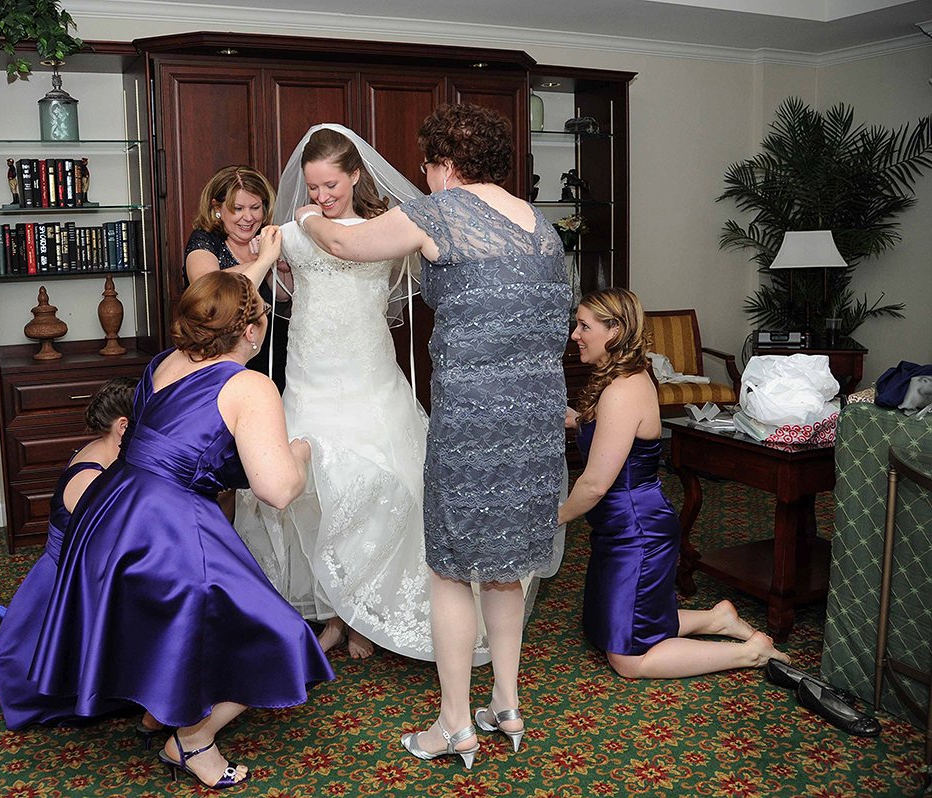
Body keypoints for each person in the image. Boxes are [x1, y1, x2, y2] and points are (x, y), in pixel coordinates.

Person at [295, 104, 569, 769]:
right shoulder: (544, 228)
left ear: (442, 164)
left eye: (426, 164)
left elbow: (343, 243)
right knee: (507, 570)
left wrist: (305, 215)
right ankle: (505, 704)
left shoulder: (440, 212)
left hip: (473, 418)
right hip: (535, 419)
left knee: (450, 570)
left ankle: (454, 725)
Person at [29, 265, 333, 789]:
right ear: (254, 330)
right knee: (281, 632)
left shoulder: (166, 362)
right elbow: (278, 490)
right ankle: (192, 739)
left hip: (115, 505)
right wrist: (300, 454)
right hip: (170, 520)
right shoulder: (250, 385)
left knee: (166, 616)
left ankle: (157, 711)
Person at [235, 124, 490, 663]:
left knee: (381, 483)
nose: (322, 197)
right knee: (311, 490)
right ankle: (332, 610)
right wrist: (271, 257)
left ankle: (367, 616)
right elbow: (269, 290)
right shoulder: (293, 230)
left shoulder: (384, 230)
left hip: (368, 371)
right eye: (313, 188)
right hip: (309, 370)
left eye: (332, 185)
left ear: (355, 175)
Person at [558, 287, 790, 678]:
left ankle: (750, 652)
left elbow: (595, 484)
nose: (575, 335)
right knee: (611, 626)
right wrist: (564, 417)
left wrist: (553, 518)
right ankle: (717, 619)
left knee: (628, 660)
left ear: (613, 331)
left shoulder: (622, 391)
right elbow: (603, 430)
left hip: (638, 532)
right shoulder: (622, 378)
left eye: (584, 326)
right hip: (618, 527)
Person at [0, 376, 151, 730]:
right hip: (71, 583)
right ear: (123, 426)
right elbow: (106, 546)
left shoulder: (105, 454)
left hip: (85, 571)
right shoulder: (89, 479)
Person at [185, 165, 292, 390]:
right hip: (223, 361)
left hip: (275, 353)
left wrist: (279, 266)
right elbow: (207, 288)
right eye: (238, 208)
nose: (248, 217)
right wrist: (261, 261)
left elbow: (282, 296)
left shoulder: (266, 239)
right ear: (217, 208)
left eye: (255, 207)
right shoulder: (205, 240)